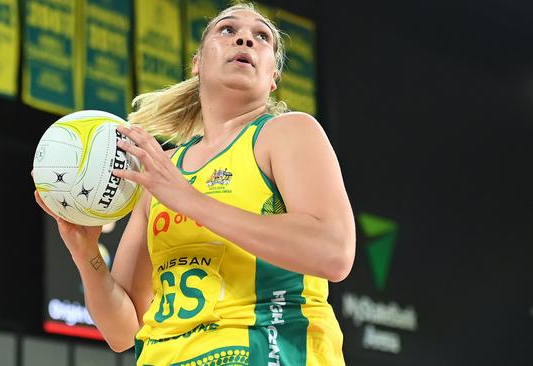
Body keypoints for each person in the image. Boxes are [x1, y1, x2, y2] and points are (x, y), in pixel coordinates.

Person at [35, 3, 355, 365]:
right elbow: (122, 331)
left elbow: (333, 251)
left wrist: (189, 199)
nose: (245, 38)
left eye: (261, 36)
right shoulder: (162, 169)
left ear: (273, 78)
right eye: (227, 30)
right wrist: (86, 254)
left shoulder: (287, 133)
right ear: (197, 63)